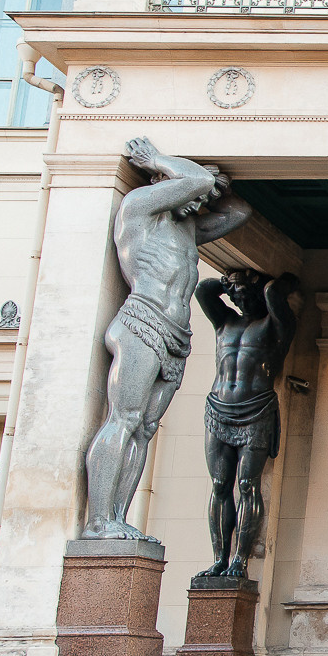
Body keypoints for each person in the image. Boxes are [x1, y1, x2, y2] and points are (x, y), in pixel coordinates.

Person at [82, 138, 252, 541]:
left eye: (204, 199)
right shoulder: (139, 209)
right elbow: (192, 178)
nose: (198, 203)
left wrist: (215, 188)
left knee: (144, 427)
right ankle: (97, 520)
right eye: (194, 196)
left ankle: (118, 519)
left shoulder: (187, 229)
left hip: (175, 334)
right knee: (122, 418)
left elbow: (239, 211)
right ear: (166, 181)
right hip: (142, 322)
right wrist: (157, 160)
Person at [196, 268, 299, 579]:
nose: (240, 300)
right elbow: (203, 289)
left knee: (246, 484)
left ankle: (240, 560)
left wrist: (265, 283)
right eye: (235, 296)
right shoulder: (225, 322)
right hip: (218, 409)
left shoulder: (276, 325)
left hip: (256, 410)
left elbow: (275, 293)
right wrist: (230, 281)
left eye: (246, 294)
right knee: (219, 484)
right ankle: (219, 559)